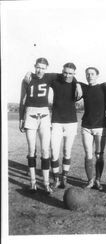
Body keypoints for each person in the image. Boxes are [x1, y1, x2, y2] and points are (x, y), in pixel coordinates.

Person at [19, 57, 54, 194]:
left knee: (45, 150)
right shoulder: (27, 79)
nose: (40, 70)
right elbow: (22, 100)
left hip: (45, 115)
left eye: (43, 68)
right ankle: (33, 183)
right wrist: (21, 118)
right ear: (34, 66)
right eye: (38, 67)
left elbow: (66, 76)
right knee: (31, 149)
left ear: (46, 69)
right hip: (30, 114)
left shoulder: (49, 77)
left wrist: (78, 84)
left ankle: (45, 183)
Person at [76, 67, 106, 191]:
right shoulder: (84, 87)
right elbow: (74, 81)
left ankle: (98, 180)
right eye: (87, 74)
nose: (90, 76)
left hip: (100, 127)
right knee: (88, 154)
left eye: (92, 74)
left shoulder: (103, 87)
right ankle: (90, 180)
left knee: (99, 155)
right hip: (86, 126)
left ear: (97, 75)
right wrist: (78, 85)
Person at [49, 63, 78, 189]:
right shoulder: (55, 81)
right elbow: (42, 76)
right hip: (56, 122)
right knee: (54, 152)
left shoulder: (76, 83)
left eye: (70, 73)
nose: (67, 75)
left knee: (67, 152)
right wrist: (30, 73)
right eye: (65, 72)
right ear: (62, 71)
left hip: (71, 122)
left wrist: (77, 84)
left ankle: (64, 177)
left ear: (74, 74)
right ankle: (56, 179)